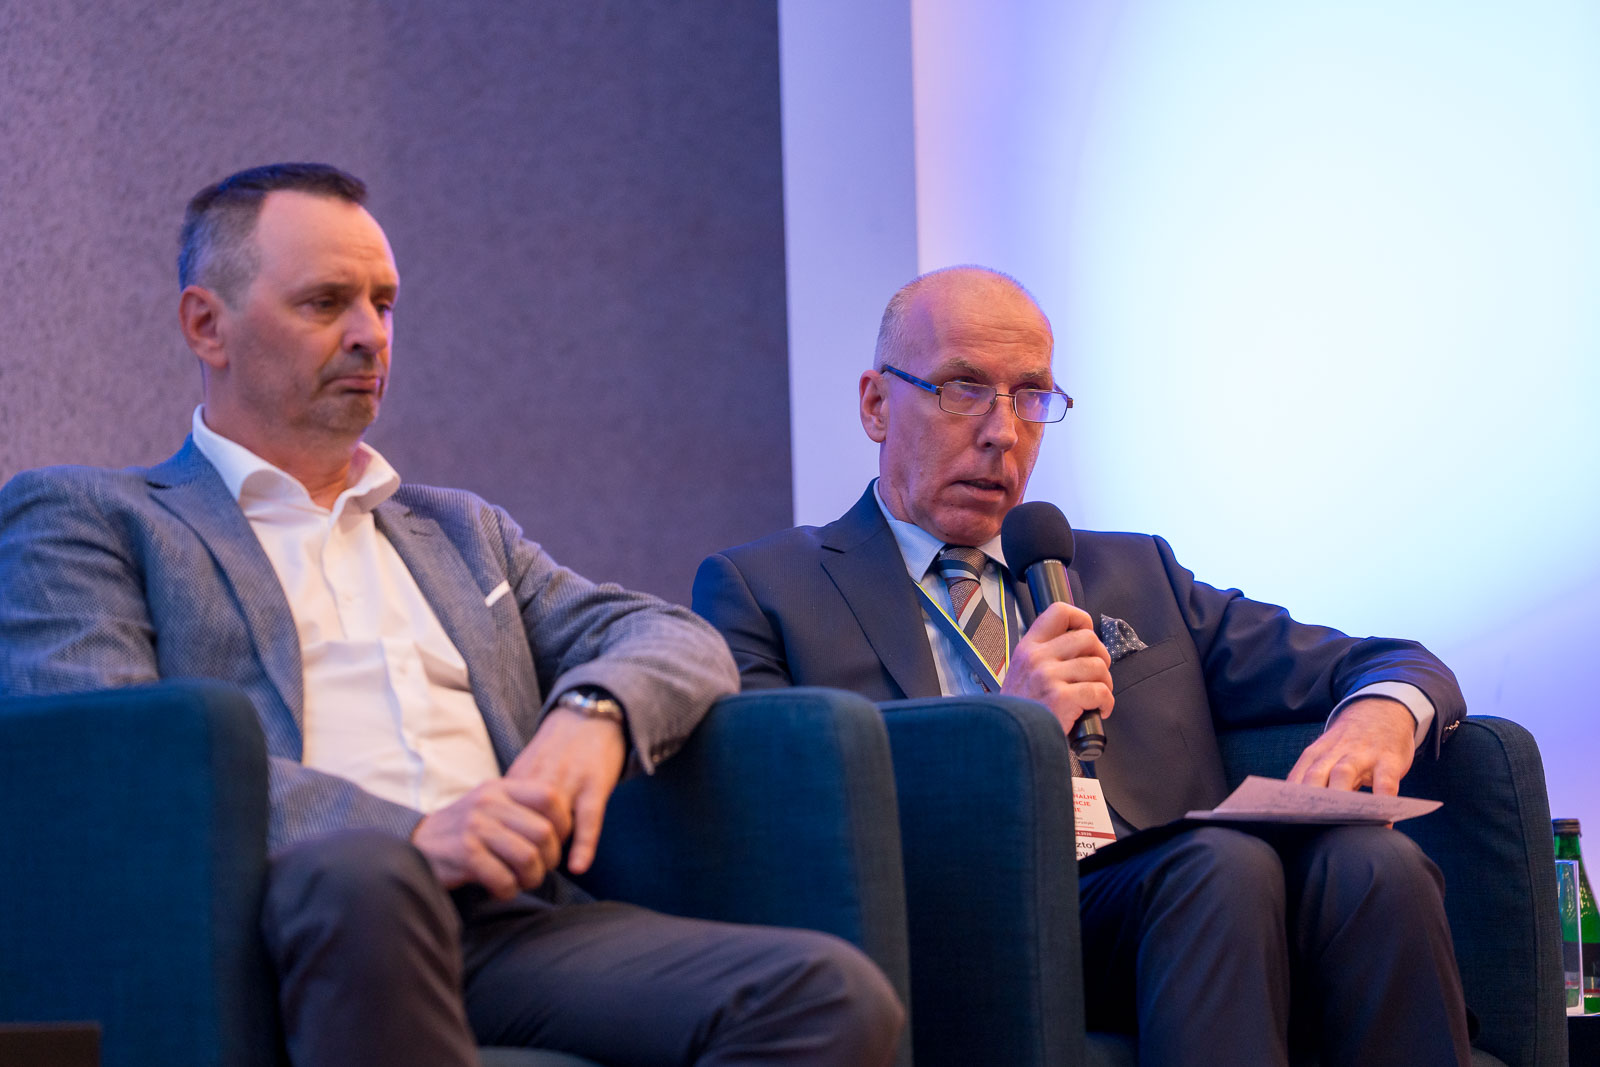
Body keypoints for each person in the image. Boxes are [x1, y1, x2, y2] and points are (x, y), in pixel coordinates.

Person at [0, 163, 903, 1067]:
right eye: (325, 303)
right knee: (364, 875)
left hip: (509, 923)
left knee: (827, 997)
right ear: (207, 324)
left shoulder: (462, 531)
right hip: (279, 922)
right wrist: (415, 835)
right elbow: (116, 760)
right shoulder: (92, 518)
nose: (369, 335)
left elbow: (673, 637)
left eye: (384, 303)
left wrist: (593, 714)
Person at [693, 265, 1472, 1066]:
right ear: (875, 404)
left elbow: (1387, 660)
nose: (1002, 431)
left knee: (1374, 863)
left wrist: (1383, 711)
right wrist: (1003, 728)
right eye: (963, 388)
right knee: (1219, 863)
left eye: (1031, 396)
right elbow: (776, 823)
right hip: (967, 921)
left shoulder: (1135, 573)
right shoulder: (767, 590)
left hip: (1185, 904)